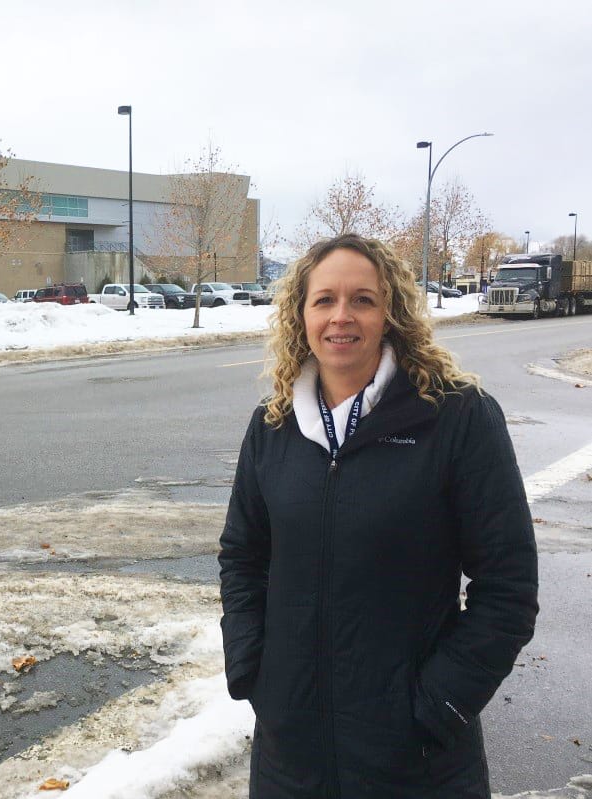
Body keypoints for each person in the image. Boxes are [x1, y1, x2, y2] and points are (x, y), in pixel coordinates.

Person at [219, 234, 538, 798]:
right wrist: (253, 671)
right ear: (301, 314)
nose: (342, 316)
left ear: (390, 312)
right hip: (290, 759)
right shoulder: (271, 428)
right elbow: (243, 557)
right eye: (324, 300)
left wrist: (439, 704)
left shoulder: (457, 417)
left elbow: (508, 587)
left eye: (362, 299)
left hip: (417, 762)